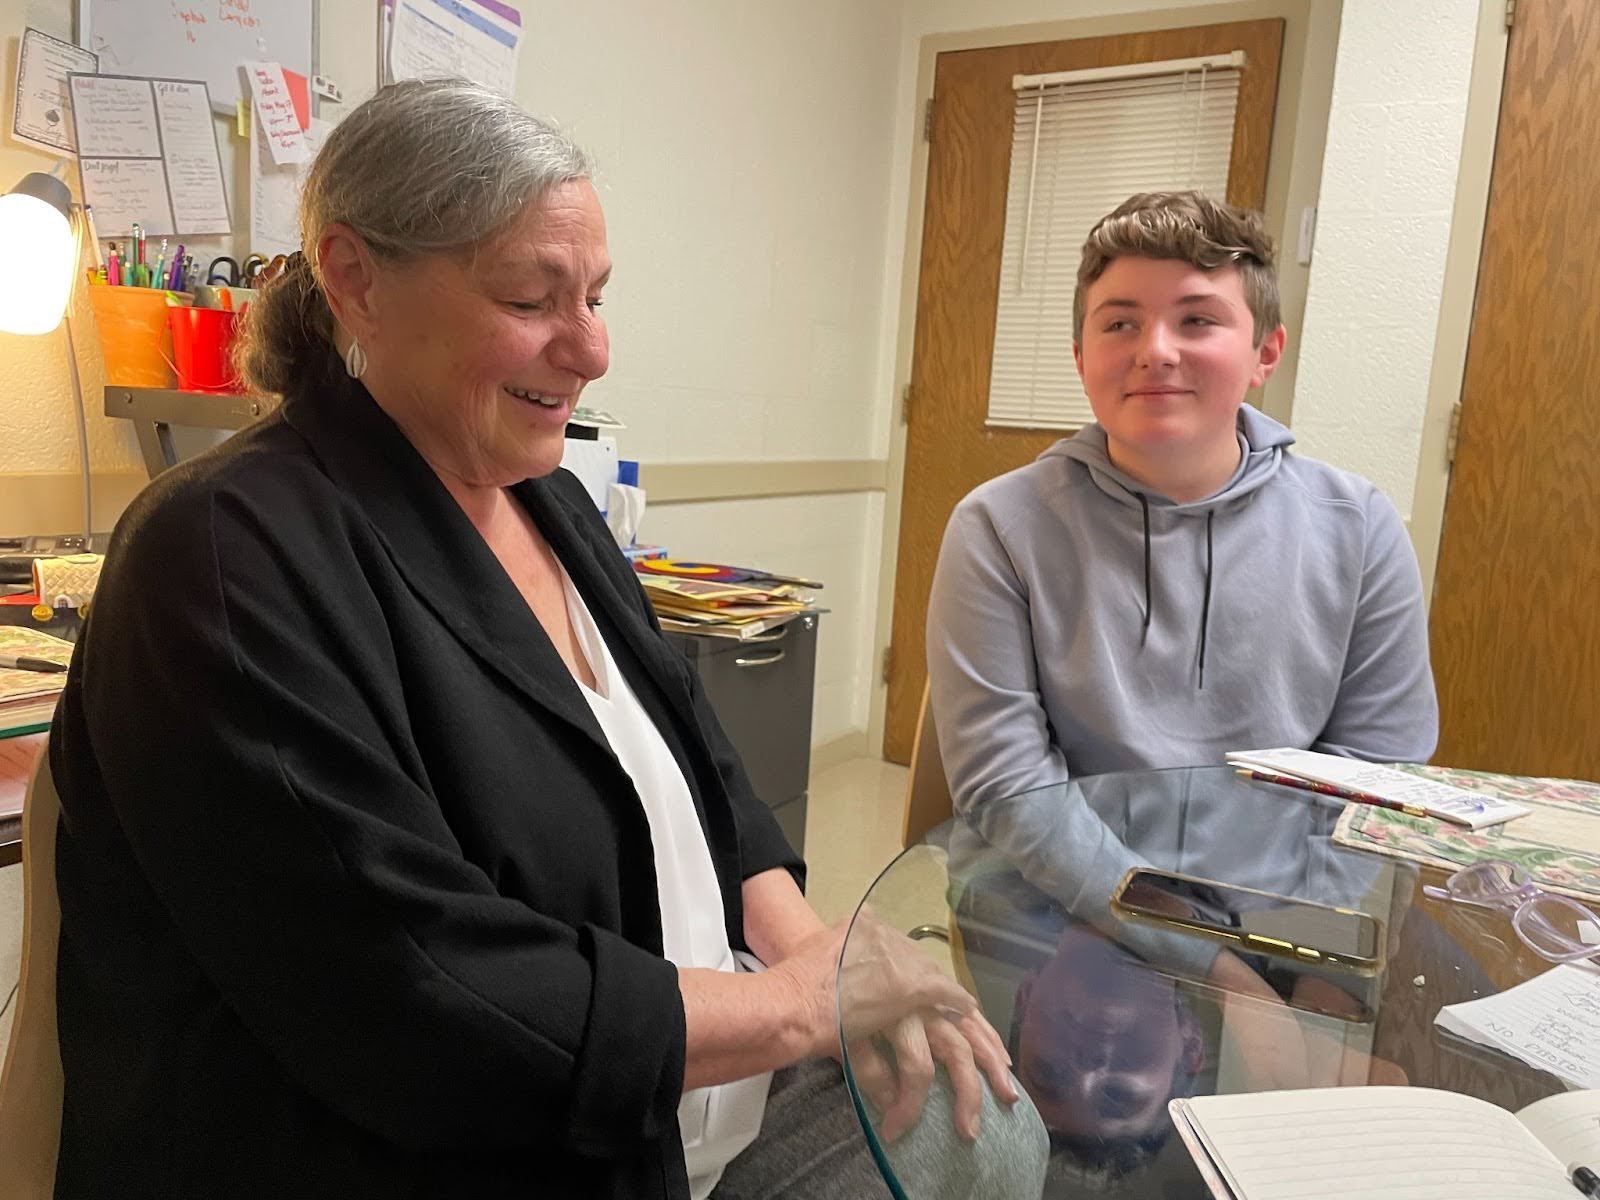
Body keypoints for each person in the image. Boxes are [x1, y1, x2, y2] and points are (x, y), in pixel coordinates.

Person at [48, 79, 1042, 1199]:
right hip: (451, 1145)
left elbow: (707, 772)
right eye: (532, 299)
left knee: (990, 1129)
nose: (590, 350)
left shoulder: (549, 503)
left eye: (597, 297)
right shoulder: (226, 557)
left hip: (673, 1099)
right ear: (354, 278)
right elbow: (416, 994)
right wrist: (805, 1006)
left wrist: (817, 947)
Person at [926, 190, 1439, 815]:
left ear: (1265, 353)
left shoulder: (1358, 528)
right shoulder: (999, 528)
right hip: (1054, 903)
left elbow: (1378, 766)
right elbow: (1009, 788)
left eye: (1197, 320)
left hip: (1283, 899)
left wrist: (1265, 910)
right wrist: (1147, 908)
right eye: (1120, 324)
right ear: (1081, 359)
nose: (1156, 351)